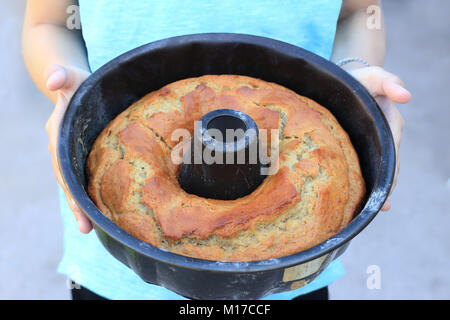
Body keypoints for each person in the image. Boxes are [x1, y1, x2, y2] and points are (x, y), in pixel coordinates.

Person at [22, 0, 411, 300]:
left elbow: (359, 13)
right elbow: (51, 21)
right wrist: (76, 98)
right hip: (117, 267)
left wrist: (352, 84)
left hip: (295, 272)